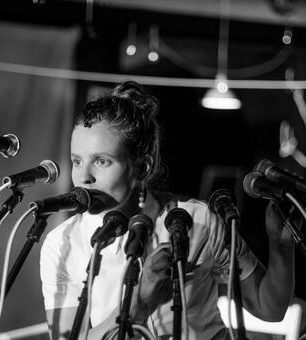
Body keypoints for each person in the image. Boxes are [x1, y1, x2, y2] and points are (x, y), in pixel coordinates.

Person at [40, 81, 295, 340]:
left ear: (143, 167)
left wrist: (281, 244)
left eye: (102, 161)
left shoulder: (199, 221)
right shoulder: (62, 243)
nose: (84, 176)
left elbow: (270, 309)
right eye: (77, 161)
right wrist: (140, 301)